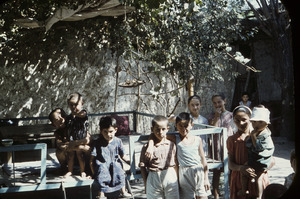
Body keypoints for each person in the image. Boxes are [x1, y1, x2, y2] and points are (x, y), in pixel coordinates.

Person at [227, 105, 274, 199]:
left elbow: (272, 160)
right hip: (239, 179)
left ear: (251, 119)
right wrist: (242, 168)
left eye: (244, 119)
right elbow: (230, 164)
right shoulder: (232, 140)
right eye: (237, 120)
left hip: (258, 178)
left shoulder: (261, 137)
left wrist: (262, 168)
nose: (241, 123)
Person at [90, 116, 131, 198]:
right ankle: (101, 193)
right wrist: (93, 172)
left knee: (119, 169)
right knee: (102, 170)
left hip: (114, 163)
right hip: (103, 163)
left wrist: (131, 163)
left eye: (111, 131)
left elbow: (123, 155)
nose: (108, 134)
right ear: (101, 131)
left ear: (115, 130)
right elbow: (92, 159)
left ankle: (123, 191)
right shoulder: (98, 142)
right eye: (105, 132)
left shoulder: (118, 141)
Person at [139, 115, 179, 199]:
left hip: (170, 175)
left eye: (163, 129)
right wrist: (146, 184)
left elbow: (175, 164)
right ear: (152, 129)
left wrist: (177, 180)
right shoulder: (147, 148)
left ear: (167, 129)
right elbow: (143, 166)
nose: (160, 132)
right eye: (157, 129)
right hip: (154, 177)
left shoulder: (171, 144)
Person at [176, 112, 210, 199]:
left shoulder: (197, 139)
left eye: (186, 126)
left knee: (202, 196)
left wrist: (206, 178)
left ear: (191, 125)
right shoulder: (175, 139)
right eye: (180, 126)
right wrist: (150, 143)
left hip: (198, 171)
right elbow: (156, 135)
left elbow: (203, 159)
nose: (183, 129)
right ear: (176, 125)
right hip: (184, 174)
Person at [49, 108, 90, 176]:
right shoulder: (58, 133)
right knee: (59, 151)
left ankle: (85, 169)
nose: (61, 119)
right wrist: (78, 147)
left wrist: (76, 144)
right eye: (57, 119)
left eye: (62, 116)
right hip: (70, 156)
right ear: (53, 124)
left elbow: (88, 139)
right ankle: (65, 169)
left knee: (88, 148)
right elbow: (61, 145)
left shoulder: (75, 125)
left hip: (80, 155)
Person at [208, 93, 233, 199]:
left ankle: (232, 193)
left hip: (228, 145)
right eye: (214, 103)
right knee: (217, 172)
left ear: (225, 101)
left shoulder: (231, 115)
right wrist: (217, 117)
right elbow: (212, 131)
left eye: (219, 102)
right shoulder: (211, 116)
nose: (217, 104)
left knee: (231, 170)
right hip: (217, 145)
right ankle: (216, 195)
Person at [65, 92, 91, 178]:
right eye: (71, 105)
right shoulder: (69, 117)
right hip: (72, 139)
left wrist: (75, 114)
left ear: (82, 104)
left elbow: (82, 114)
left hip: (81, 139)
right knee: (70, 155)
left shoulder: (83, 113)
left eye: (76, 105)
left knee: (80, 155)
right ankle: (70, 171)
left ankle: (83, 171)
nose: (73, 107)